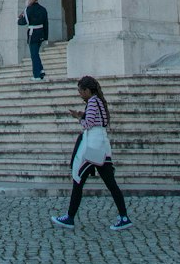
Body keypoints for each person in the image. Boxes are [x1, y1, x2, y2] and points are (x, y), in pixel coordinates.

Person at [51, 76, 131, 231]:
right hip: (101, 146)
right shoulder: (99, 101)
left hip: (92, 147)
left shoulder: (93, 102)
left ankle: (70, 217)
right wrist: (82, 115)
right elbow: (97, 120)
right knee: (111, 184)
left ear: (87, 90)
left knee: (78, 179)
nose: (80, 94)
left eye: (81, 91)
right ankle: (124, 216)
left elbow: (88, 124)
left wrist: (79, 118)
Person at [17, 0, 49, 80]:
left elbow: (24, 22)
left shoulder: (29, 9)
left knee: (34, 55)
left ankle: (36, 75)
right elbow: (46, 24)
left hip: (33, 34)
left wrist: (18, 20)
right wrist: (46, 38)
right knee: (36, 54)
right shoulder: (43, 9)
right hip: (41, 34)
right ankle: (41, 70)